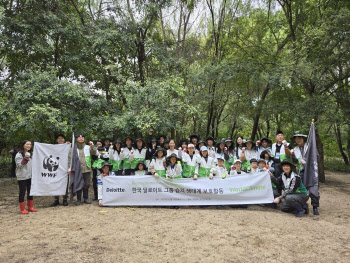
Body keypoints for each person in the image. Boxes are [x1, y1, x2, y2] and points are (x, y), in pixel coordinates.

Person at [291, 131, 320, 215]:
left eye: (299, 138)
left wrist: (307, 161)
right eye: (296, 138)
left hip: (311, 171)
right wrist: (293, 156)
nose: (298, 139)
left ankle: (315, 207)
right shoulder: (295, 149)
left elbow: (316, 157)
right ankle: (304, 206)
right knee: (302, 190)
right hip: (300, 172)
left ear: (302, 138)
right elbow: (295, 161)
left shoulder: (310, 147)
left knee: (313, 189)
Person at [69, 133, 97, 205]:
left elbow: (94, 153)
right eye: (79, 137)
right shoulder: (73, 148)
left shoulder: (88, 147)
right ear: (76, 139)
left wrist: (92, 146)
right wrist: (69, 167)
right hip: (77, 169)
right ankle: (78, 199)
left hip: (87, 168)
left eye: (82, 137)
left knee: (86, 184)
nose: (81, 138)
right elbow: (69, 158)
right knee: (78, 183)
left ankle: (86, 198)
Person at [15, 140, 37, 214]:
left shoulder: (31, 154)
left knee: (30, 191)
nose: (29, 146)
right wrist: (25, 159)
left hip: (30, 175)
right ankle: (22, 209)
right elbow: (20, 165)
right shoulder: (19, 155)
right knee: (22, 192)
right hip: (22, 176)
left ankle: (30, 207)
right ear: (23, 145)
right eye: (27, 144)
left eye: (30, 144)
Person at [51, 134, 70, 207]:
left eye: (62, 138)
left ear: (64, 139)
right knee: (55, 183)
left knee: (65, 183)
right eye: (59, 138)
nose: (60, 139)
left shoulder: (67, 147)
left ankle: (65, 199)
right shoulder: (53, 148)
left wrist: (68, 145)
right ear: (56, 140)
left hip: (65, 168)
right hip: (55, 168)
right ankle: (56, 199)